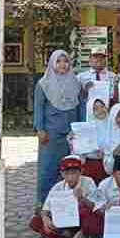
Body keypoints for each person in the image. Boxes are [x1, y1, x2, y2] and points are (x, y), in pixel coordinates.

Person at [34, 49, 82, 213]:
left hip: (71, 133)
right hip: (51, 134)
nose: (63, 64)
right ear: (52, 64)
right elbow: (39, 108)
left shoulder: (75, 83)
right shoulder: (43, 84)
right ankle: (43, 204)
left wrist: (81, 129)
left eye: (66, 61)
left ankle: (67, 205)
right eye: (59, 61)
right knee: (48, 168)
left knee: (70, 169)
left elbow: (80, 108)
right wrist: (40, 129)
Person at [29, 155, 97, 238]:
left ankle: (76, 233)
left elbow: (94, 206)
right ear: (61, 173)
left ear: (81, 172)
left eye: (74, 173)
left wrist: (82, 199)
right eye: (67, 173)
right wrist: (45, 219)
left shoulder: (88, 182)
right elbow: (46, 208)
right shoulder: (58, 186)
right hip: (62, 221)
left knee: (88, 215)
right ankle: (66, 234)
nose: (70, 176)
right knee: (35, 221)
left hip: (80, 220)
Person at [70, 98, 110, 184]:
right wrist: (73, 141)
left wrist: (106, 153)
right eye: (96, 109)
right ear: (90, 112)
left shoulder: (112, 127)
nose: (100, 110)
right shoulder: (84, 129)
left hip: (109, 166)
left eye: (102, 106)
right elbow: (79, 152)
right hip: (91, 167)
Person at [77, 46, 114, 120]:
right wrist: (84, 90)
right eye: (96, 57)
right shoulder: (80, 77)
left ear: (105, 60)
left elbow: (114, 97)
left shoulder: (113, 76)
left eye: (102, 57)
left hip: (107, 113)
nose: (99, 59)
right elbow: (77, 99)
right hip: (87, 114)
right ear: (90, 59)